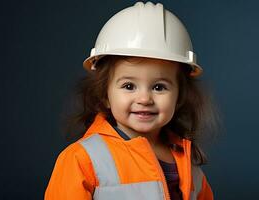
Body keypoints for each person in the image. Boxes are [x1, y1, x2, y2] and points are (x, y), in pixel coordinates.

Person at [45, 1, 218, 200]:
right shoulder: (81, 159)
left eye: (159, 87)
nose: (144, 99)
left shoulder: (187, 161)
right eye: (129, 86)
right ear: (104, 95)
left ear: (179, 96)